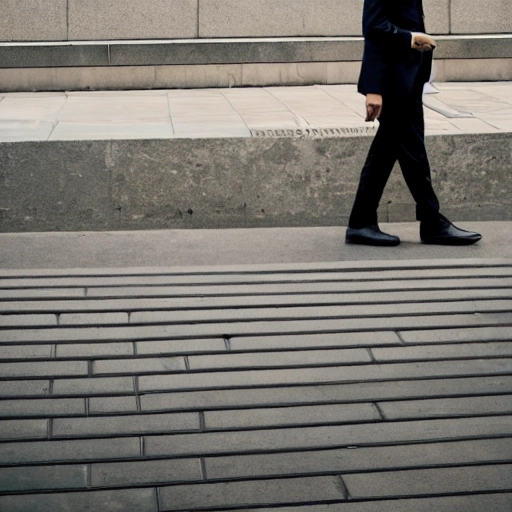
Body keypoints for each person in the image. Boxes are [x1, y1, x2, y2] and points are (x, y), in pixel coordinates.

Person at [345, 0, 482, 246]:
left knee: (386, 152)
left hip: (407, 79)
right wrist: (375, 87)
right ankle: (430, 221)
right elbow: (374, 27)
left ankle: (361, 221)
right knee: (412, 151)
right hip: (394, 81)